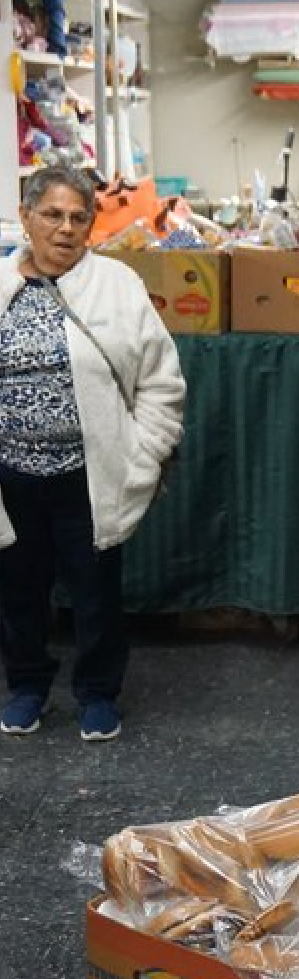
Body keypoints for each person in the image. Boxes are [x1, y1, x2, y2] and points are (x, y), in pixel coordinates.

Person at [0, 165, 185, 741]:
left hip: (90, 472)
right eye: (52, 215)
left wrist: (146, 454)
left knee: (96, 589)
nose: (66, 228)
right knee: (17, 588)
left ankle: (98, 692)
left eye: (79, 217)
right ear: (26, 218)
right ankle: (27, 686)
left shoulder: (118, 285)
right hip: (12, 474)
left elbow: (161, 381)